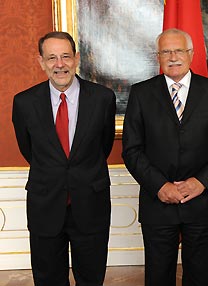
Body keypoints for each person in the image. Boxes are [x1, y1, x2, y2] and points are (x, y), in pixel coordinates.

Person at [122, 28, 208, 286]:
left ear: (191, 54)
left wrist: (200, 182)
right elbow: (132, 149)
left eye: (178, 50)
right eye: (166, 51)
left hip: (201, 201)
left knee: (200, 275)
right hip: (158, 201)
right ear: (157, 56)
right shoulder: (141, 93)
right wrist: (160, 186)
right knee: (158, 275)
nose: (173, 57)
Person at [12, 31, 116, 285]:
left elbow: (104, 145)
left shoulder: (102, 98)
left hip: (91, 203)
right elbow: (30, 151)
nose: (59, 65)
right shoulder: (24, 103)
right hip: (45, 204)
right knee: (47, 279)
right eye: (52, 58)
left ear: (76, 58)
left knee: (91, 278)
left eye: (66, 57)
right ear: (41, 62)